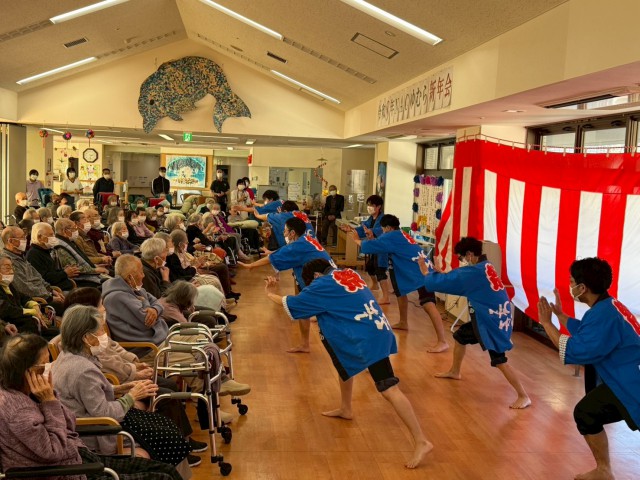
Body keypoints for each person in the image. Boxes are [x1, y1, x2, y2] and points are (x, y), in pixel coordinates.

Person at [264, 258, 433, 469]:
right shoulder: (347, 274)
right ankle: (346, 408)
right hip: (376, 330)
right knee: (343, 364)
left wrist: (269, 293)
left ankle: (421, 440)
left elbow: (292, 305)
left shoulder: (323, 283)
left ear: (315, 276)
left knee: (389, 388)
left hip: (369, 338)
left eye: (310, 284)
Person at [0, 334, 183, 480]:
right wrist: (50, 403)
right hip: (68, 472)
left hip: (78, 458)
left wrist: (50, 398)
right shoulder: (18, 411)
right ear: (29, 372)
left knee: (166, 470)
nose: (50, 368)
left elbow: (69, 423)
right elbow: (53, 451)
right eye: (45, 364)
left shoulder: (30, 393)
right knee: (162, 477)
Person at [51, 306, 192, 475]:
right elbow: (104, 413)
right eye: (100, 330)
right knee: (168, 437)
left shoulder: (68, 357)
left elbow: (88, 393)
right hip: (100, 430)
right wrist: (131, 396)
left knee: (166, 426)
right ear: (87, 338)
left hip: (101, 419)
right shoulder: (82, 370)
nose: (104, 334)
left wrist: (119, 388)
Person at [537, 258, 640, 480]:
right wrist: (560, 316)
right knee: (587, 412)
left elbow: (574, 350)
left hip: (631, 384)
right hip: (625, 381)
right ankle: (603, 471)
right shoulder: (609, 306)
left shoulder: (603, 314)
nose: (570, 285)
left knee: (587, 413)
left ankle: (604, 471)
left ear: (582, 288)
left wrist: (546, 323)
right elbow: (587, 332)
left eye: (571, 281)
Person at [419, 236, 531, 409]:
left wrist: (427, 273)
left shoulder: (474, 272)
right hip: (492, 316)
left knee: (499, 359)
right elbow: (457, 278)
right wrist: (441, 275)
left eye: (462, 257)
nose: (463, 261)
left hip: (491, 322)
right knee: (460, 336)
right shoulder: (486, 266)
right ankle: (455, 371)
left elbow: (452, 280)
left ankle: (523, 396)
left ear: (470, 254)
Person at [352, 214, 448, 352]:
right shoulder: (400, 233)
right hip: (415, 268)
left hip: (420, 271)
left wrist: (356, 239)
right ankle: (403, 322)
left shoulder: (391, 236)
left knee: (428, 304)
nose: (383, 231)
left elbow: (373, 245)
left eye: (383, 229)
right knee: (400, 292)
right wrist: (372, 238)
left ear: (388, 228)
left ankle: (442, 341)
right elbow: (380, 245)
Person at [240, 216, 333, 352]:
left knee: (330, 321)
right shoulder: (306, 240)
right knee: (303, 310)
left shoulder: (299, 245)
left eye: (285, 231)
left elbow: (272, 258)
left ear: (292, 233)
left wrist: (251, 266)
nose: (283, 233)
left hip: (326, 284)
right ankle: (305, 344)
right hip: (324, 278)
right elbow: (282, 252)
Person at [102, 254, 168, 347]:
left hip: (159, 339)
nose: (143, 275)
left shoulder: (135, 289)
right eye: (141, 272)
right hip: (147, 348)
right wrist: (146, 302)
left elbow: (158, 303)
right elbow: (147, 322)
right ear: (130, 278)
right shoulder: (116, 297)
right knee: (190, 344)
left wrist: (155, 310)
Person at [1, 226, 67, 311]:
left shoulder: (20, 255)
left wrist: (51, 290)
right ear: (11, 241)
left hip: (44, 294)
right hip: (38, 300)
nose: (25, 240)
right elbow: (24, 288)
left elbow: (38, 277)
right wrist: (49, 297)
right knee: (70, 304)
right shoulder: (7, 261)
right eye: (22, 237)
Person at [340, 194, 391, 304]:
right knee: (370, 267)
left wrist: (371, 232)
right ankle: (375, 284)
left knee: (380, 270)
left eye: (371, 205)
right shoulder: (371, 218)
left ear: (378, 207)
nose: (369, 207)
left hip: (381, 249)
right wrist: (351, 229)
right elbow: (363, 229)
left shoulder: (383, 219)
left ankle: (386, 296)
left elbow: (379, 231)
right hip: (374, 248)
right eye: (368, 205)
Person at [0, 256, 58, 339]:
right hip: (14, 327)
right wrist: (31, 312)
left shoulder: (8, 285)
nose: (11, 272)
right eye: (7, 268)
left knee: (57, 331)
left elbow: (23, 297)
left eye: (12, 268)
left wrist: (34, 305)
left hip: (26, 321)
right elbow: (6, 309)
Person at [52, 218, 108, 288]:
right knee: (109, 284)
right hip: (80, 280)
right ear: (65, 231)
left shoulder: (70, 241)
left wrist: (94, 266)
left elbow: (82, 260)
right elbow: (73, 268)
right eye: (74, 228)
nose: (76, 231)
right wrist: (94, 270)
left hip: (89, 274)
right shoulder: (60, 246)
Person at [25, 222, 78, 292]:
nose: (54, 237)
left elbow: (51, 271)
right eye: (51, 235)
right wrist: (64, 273)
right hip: (58, 291)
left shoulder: (45, 250)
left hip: (66, 286)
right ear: (39, 237)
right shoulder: (33, 254)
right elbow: (44, 278)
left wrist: (64, 271)